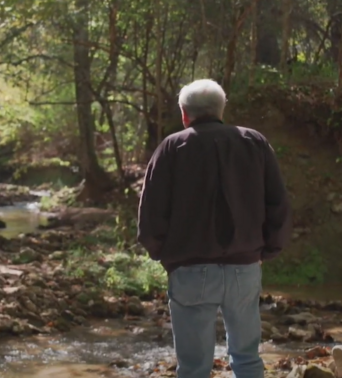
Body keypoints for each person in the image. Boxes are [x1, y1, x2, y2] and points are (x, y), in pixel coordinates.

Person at [137, 79, 293, 378]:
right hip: (244, 266)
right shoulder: (254, 142)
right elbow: (278, 203)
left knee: (194, 367)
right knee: (247, 359)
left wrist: (164, 255)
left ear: (185, 114)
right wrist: (268, 249)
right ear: (222, 109)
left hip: (189, 268)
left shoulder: (172, 147)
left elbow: (151, 212)